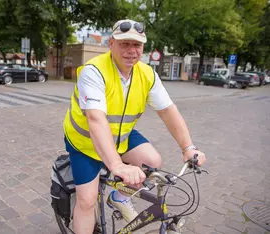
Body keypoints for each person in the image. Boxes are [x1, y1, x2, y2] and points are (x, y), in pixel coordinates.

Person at [62, 19, 206, 234]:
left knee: (153, 161)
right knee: (87, 201)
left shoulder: (147, 74)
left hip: (121, 136)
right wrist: (117, 166)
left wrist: (188, 148)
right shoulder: (93, 71)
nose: (131, 51)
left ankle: (118, 196)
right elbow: (96, 120)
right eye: (124, 44)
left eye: (137, 45)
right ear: (111, 44)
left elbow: (168, 111)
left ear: (143, 48)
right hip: (86, 143)